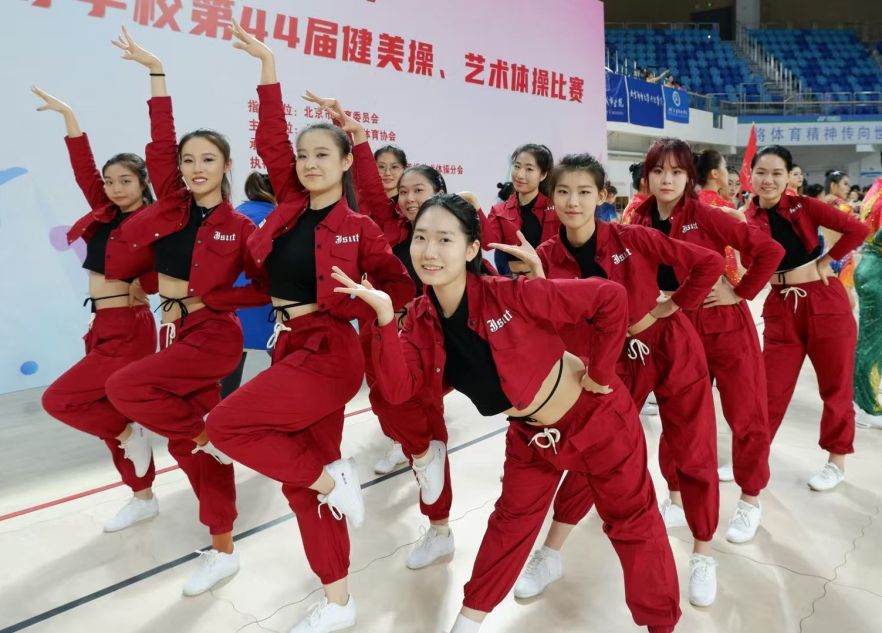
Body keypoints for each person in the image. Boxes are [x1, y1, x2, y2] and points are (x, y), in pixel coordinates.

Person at [334, 193, 682, 633]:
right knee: (509, 527)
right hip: (530, 438)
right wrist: (384, 320)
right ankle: (466, 624)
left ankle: (660, 626)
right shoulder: (420, 319)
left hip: (597, 422)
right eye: (421, 238)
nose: (429, 251)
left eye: (445, 239)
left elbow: (610, 298)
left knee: (632, 525)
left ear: (471, 249)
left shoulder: (509, 293)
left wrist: (601, 372)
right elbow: (398, 390)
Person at [206, 23, 414, 632]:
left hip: (330, 352)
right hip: (289, 346)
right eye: (303, 156)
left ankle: (332, 478)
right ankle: (340, 602)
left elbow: (399, 288)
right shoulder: (288, 210)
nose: (309, 163)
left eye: (323, 154)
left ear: (346, 161)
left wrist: (369, 305)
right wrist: (268, 65)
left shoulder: (360, 228)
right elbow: (271, 137)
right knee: (306, 488)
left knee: (225, 424)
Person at [500, 152, 726, 607]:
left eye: (584, 192)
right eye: (564, 192)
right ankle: (550, 553)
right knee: (593, 451)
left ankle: (703, 554)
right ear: (551, 197)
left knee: (693, 446)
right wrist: (536, 283)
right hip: (612, 361)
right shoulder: (545, 257)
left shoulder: (633, 237)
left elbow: (708, 264)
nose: (573, 202)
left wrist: (673, 305)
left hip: (669, 345)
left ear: (602, 196)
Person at [104, 28, 269, 595]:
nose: (197, 167)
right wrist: (156, 73)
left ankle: (208, 433)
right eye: (188, 160)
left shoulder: (240, 225)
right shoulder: (172, 208)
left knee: (126, 388)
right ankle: (223, 549)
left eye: (208, 159)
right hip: (173, 332)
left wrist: (210, 299)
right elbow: (158, 143)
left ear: (227, 165)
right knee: (188, 449)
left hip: (213, 335)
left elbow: (264, 290)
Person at [304, 91, 466, 568]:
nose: (409, 197)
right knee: (385, 405)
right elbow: (371, 189)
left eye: (420, 189)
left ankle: (439, 526)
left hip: (432, 341)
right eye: (405, 190)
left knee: (425, 422)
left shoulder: (458, 232)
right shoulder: (387, 225)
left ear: (439, 191)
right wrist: (355, 135)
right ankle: (416, 451)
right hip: (380, 331)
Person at [630, 139, 784, 543]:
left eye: (676, 172)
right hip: (673, 327)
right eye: (658, 171)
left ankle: (750, 500)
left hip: (724, 326)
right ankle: (677, 497)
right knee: (677, 418)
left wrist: (741, 291)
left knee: (746, 416)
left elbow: (769, 251)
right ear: (647, 176)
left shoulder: (707, 215)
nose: (666, 180)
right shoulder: (637, 219)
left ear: (689, 177)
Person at [35, 86, 160, 533]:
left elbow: (171, 270)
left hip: (129, 328)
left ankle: (131, 436)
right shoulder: (104, 212)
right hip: (102, 324)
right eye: (110, 181)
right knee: (109, 415)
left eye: (125, 180)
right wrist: (69, 115)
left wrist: (144, 285)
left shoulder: (154, 221)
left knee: (60, 399)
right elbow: (82, 168)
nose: (115, 188)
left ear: (143, 182)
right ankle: (142, 497)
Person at [745, 145, 868, 490]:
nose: (768, 180)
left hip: (824, 301)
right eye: (761, 172)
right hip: (781, 305)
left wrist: (827, 261)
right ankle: (752, 457)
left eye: (777, 173)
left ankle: (836, 461)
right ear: (751, 175)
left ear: (789, 176)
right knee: (768, 390)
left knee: (835, 387)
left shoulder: (805, 206)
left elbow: (856, 230)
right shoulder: (746, 216)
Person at [220, 172, 276, 399]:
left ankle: (222, 411)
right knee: (286, 359)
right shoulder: (280, 218)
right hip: (267, 300)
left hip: (234, 301)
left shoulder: (235, 214)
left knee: (231, 365)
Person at [483, 144, 557, 276]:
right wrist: (476, 207)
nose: (520, 175)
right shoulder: (499, 210)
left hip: (547, 280)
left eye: (529, 169)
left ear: (543, 175)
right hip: (511, 281)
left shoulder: (555, 209)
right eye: (517, 166)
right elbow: (487, 244)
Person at [854, 161, 882, 429]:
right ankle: (865, 406)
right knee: (872, 343)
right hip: (878, 271)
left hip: (870, 265)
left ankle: (866, 398)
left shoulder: (876, 188)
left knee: (873, 340)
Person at [694, 149, 744, 286]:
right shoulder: (725, 206)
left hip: (694, 273)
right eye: (725, 167)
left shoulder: (690, 201)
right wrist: (733, 280)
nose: (727, 172)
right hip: (719, 273)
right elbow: (729, 249)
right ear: (715, 173)